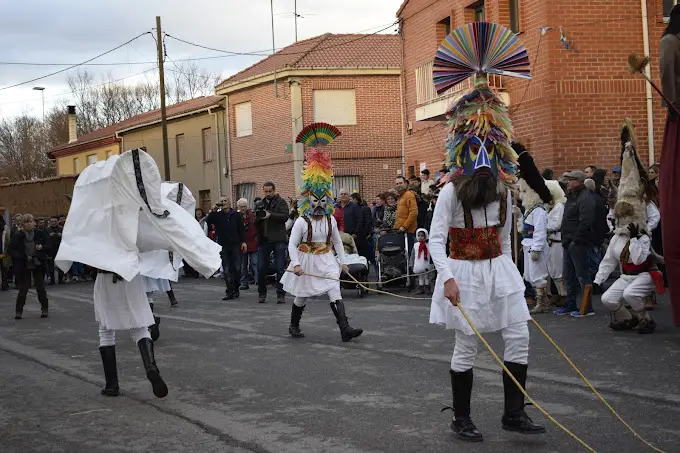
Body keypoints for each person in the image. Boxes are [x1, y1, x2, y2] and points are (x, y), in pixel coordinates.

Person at [429, 75, 544, 442]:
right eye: (473, 148)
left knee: (519, 335)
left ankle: (514, 413)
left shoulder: (506, 192)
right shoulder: (450, 193)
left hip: (500, 271)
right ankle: (461, 418)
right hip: (463, 272)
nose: (481, 159)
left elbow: (505, 241)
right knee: (467, 344)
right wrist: (447, 277)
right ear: (463, 150)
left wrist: (513, 277)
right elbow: (434, 241)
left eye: (488, 150)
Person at [55, 148, 221, 399]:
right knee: (140, 327)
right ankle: (151, 367)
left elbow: (79, 240)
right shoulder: (131, 220)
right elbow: (154, 235)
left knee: (106, 330)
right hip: (131, 277)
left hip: (105, 278)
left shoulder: (98, 220)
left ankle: (112, 385)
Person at [280, 147, 362, 342]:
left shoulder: (330, 220)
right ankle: (293, 325)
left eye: (322, 201)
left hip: (326, 259)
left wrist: (342, 261)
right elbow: (292, 244)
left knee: (334, 289)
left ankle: (345, 329)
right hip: (306, 260)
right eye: (314, 201)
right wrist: (297, 264)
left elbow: (337, 241)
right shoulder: (301, 221)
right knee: (302, 295)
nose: (318, 205)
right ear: (308, 201)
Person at [595, 122, 663, 334]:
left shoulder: (642, 235)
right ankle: (630, 318)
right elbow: (609, 260)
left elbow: (638, 259)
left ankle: (645, 319)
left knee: (630, 294)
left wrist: (639, 235)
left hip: (643, 275)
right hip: (625, 276)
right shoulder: (616, 238)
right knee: (608, 299)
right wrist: (598, 280)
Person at [513, 144, 553, 314]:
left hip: (535, 246)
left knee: (537, 275)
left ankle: (542, 301)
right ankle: (541, 299)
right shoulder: (530, 210)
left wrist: (536, 248)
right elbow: (525, 228)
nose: (521, 195)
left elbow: (540, 231)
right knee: (529, 275)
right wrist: (519, 217)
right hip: (527, 244)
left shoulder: (539, 211)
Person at [554, 170, 596, 317]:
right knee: (568, 275)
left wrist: (575, 240)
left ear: (578, 181)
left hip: (578, 243)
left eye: (570, 180)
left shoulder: (585, 198)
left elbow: (586, 221)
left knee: (582, 275)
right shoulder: (572, 196)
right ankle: (571, 305)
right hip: (568, 242)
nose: (568, 183)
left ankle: (587, 307)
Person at [8, 214, 50, 319]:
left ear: (34, 223)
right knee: (23, 289)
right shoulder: (18, 235)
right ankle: (19, 311)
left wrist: (41, 247)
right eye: (26, 222)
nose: (29, 224)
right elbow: (11, 250)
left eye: (31, 221)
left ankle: (45, 309)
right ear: (23, 224)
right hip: (24, 264)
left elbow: (49, 246)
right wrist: (22, 256)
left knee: (40, 287)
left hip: (38, 262)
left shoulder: (40, 233)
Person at [255, 182, 290, 304]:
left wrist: (270, 215)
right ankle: (262, 293)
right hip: (264, 240)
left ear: (274, 190)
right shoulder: (260, 203)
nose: (268, 193)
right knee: (261, 269)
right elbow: (255, 221)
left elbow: (285, 216)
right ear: (263, 191)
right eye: (266, 191)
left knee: (280, 268)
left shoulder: (281, 202)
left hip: (278, 239)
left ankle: (281, 294)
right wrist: (258, 217)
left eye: (270, 191)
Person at [207, 196, 247, 301]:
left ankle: (236, 288)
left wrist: (243, 242)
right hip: (223, 245)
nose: (223, 203)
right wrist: (213, 210)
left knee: (237, 269)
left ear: (229, 203)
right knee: (227, 269)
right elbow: (208, 221)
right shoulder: (217, 215)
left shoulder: (236, 215)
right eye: (221, 201)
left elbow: (241, 229)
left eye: (225, 201)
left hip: (235, 244)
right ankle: (229, 292)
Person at [545, 180, 568, 306]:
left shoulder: (559, 206)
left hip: (557, 241)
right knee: (551, 269)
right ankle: (558, 294)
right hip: (551, 241)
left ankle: (564, 294)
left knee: (558, 269)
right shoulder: (551, 206)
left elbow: (556, 224)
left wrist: (542, 225)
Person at [237, 198, 258, 290]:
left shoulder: (252, 216)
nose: (243, 208)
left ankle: (259, 281)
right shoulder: (236, 217)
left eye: (244, 206)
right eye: (241, 207)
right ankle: (244, 283)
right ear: (238, 207)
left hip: (253, 241)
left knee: (255, 263)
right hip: (241, 243)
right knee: (243, 265)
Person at [412, 228, 432, 295]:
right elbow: (413, 255)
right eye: (419, 235)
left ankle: (427, 287)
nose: (420, 237)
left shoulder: (428, 245)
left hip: (426, 262)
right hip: (418, 263)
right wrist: (411, 263)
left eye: (422, 236)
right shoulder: (416, 245)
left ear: (425, 236)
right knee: (420, 276)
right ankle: (420, 287)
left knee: (426, 275)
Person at [45, 216, 64, 285]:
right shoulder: (47, 230)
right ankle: (52, 280)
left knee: (60, 265)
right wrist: (49, 236)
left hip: (59, 249)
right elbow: (44, 239)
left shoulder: (61, 229)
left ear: (58, 221)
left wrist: (61, 236)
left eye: (55, 221)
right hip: (50, 250)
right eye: (52, 221)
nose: (53, 223)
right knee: (50, 266)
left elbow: (65, 239)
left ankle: (60, 279)